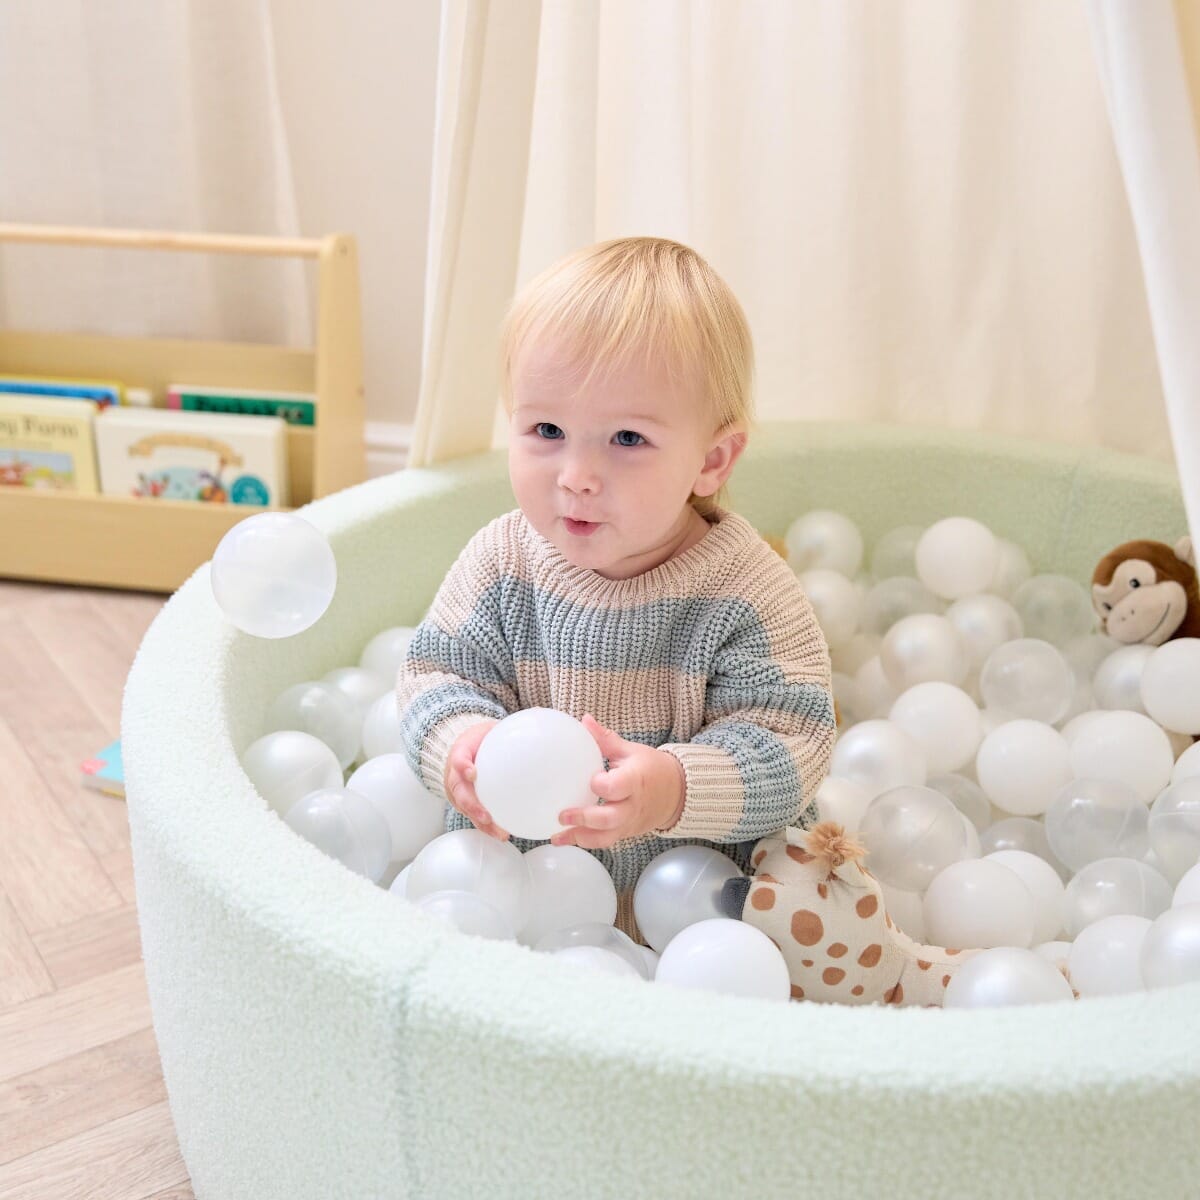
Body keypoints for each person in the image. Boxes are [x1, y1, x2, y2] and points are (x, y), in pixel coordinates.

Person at [396, 235, 835, 940]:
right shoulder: (503, 559)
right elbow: (434, 674)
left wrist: (675, 786)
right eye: (546, 429)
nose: (576, 474)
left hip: (697, 922)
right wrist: (460, 743)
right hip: (518, 901)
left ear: (712, 460)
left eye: (626, 439)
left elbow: (796, 740)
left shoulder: (746, 590)